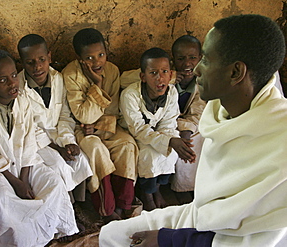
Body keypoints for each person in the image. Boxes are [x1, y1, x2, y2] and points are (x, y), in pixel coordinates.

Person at [100, 14, 287, 247]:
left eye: (205, 60)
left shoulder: (279, 145)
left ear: (236, 72)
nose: (195, 69)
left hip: (229, 239)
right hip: (204, 218)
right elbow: (209, 210)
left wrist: (167, 239)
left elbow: (246, 239)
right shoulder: (222, 111)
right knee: (111, 235)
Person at [0, 49, 78, 246]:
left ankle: (49, 232)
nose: (13, 83)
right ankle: (20, 241)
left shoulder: (22, 100)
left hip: (24, 163)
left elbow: (29, 140)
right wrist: (16, 183)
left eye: (14, 75)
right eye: (3, 80)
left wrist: (24, 178)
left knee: (54, 184)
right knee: (2, 198)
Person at [62, 28, 139, 223]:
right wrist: (97, 84)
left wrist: (98, 126)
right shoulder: (70, 74)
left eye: (101, 55)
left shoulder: (112, 70)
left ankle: (124, 203)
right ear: (79, 58)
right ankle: (106, 209)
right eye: (89, 58)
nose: (97, 62)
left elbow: (112, 109)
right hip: (80, 130)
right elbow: (82, 115)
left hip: (106, 126)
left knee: (127, 145)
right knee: (96, 150)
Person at [17, 34, 92, 202]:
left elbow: (65, 115)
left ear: (49, 57)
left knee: (80, 159)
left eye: (41, 59)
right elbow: (29, 128)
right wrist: (58, 149)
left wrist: (67, 142)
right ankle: (68, 206)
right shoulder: (19, 90)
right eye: (30, 62)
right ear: (22, 63)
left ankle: (80, 204)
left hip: (57, 133)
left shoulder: (59, 79)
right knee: (58, 165)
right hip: (34, 142)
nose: (37, 67)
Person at [119, 47, 196, 211]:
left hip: (157, 133)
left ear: (171, 74)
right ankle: (147, 193)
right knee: (148, 155)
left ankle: (158, 189)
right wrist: (167, 140)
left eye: (164, 72)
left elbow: (168, 122)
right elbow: (138, 129)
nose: (159, 78)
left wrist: (170, 139)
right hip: (134, 133)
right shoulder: (130, 95)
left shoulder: (172, 92)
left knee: (171, 152)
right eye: (153, 73)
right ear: (143, 77)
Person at [170, 35, 206, 194]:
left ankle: (187, 188)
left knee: (196, 139)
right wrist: (168, 76)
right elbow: (126, 79)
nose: (187, 64)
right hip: (165, 123)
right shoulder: (165, 74)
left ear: (201, 58)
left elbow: (199, 109)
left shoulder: (202, 80)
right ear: (173, 60)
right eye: (181, 59)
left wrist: (187, 129)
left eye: (192, 58)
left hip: (190, 124)